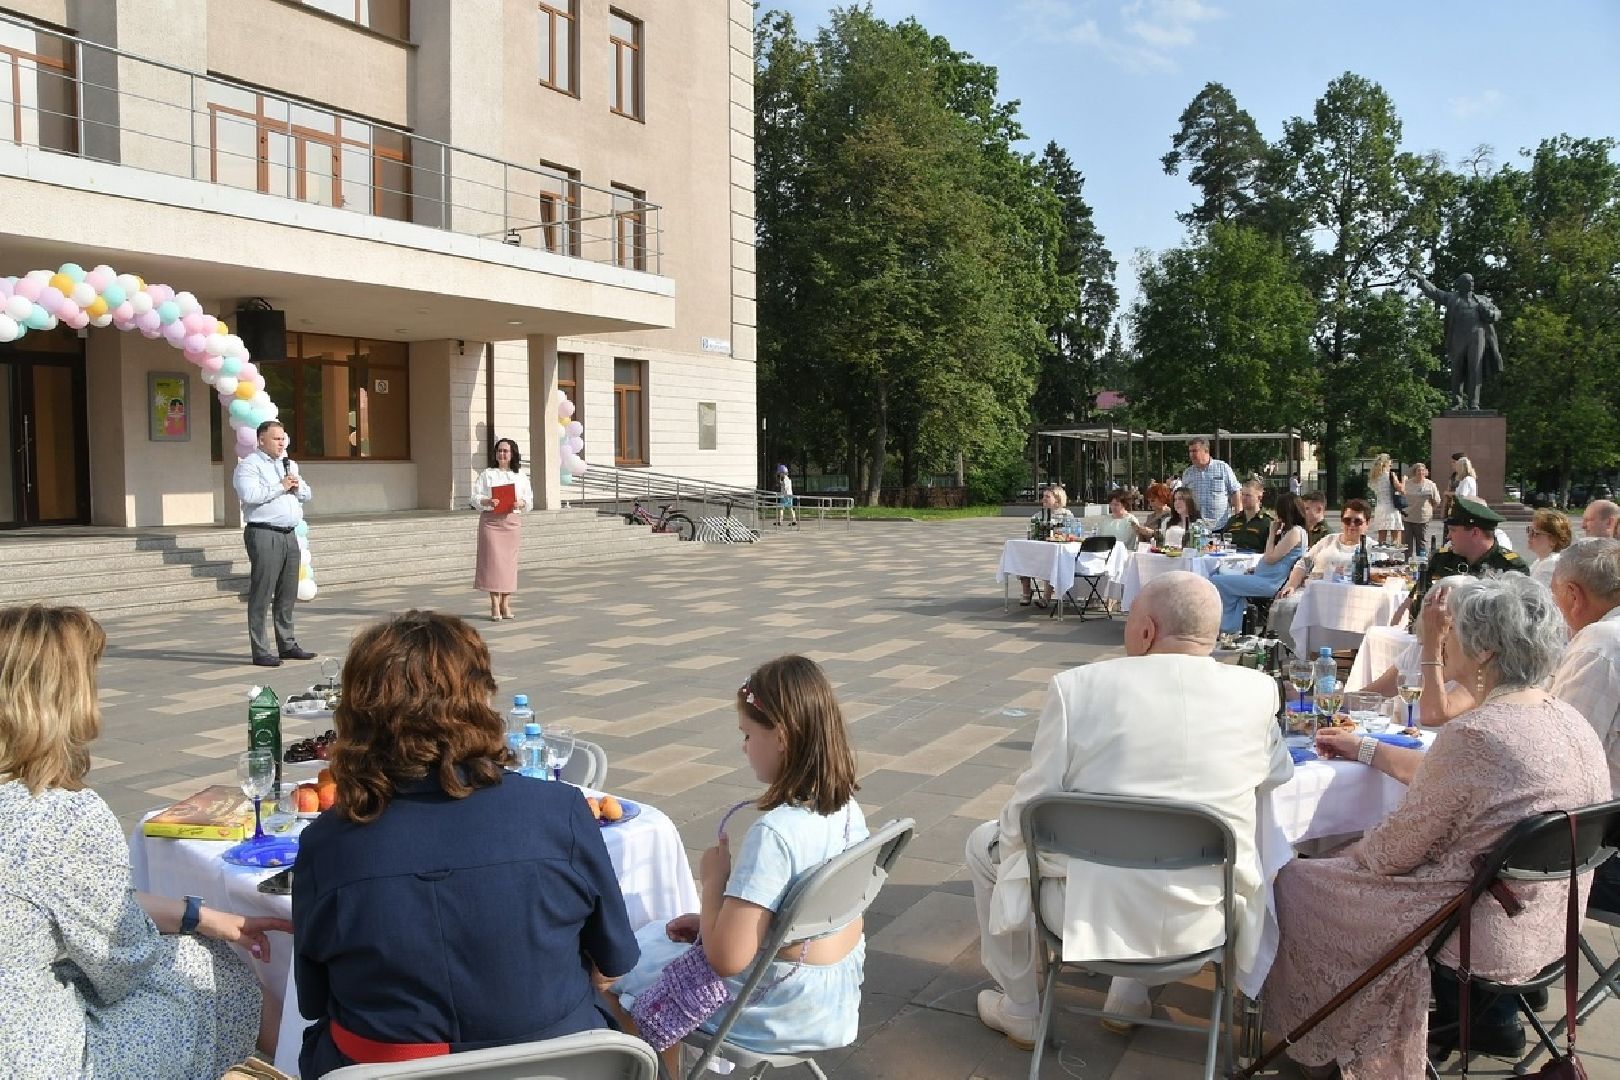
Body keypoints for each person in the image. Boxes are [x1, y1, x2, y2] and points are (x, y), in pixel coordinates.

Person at [1269, 574, 1607, 1076]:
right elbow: (1460, 784)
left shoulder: (1479, 732)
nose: (1447, 644)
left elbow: (1389, 856)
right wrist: (1364, 748)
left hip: (1478, 927)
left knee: (1296, 880)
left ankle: (1321, 1040)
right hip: (1554, 922)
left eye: (1457, 635)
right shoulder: (1567, 719)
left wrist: (1334, 856)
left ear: (1486, 651)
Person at [293, 611, 639, 1077]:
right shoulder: (559, 812)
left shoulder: (328, 843)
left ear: (358, 714)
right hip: (557, 1068)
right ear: (478, 697)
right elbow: (613, 961)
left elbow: (314, 999)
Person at [968, 573, 1291, 1046]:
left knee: (987, 844)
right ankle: (1129, 994)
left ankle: (1021, 1007)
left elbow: (1029, 807)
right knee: (1177, 839)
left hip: (1081, 911)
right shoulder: (1258, 691)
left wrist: (1018, 863)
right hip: (1204, 916)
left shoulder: (1077, 688)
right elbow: (1277, 776)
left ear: (1145, 631)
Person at [0, 604, 289, 1077]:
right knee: (210, 971)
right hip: (36, 1057)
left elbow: (65, 902)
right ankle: (305, 1063)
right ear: (63, 699)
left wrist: (199, 916)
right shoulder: (59, 815)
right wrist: (197, 935)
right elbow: (122, 965)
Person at [613, 655, 867, 1073]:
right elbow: (806, 917)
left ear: (781, 737)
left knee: (622, 976)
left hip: (775, 1011)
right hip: (832, 996)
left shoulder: (775, 835)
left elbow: (727, 960)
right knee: (662, 944)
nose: (744, 746)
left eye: (748, 734)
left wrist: (714, 882)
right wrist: (714, 921)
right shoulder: (846, 811)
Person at [1548, 538, 1620, 913]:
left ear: (1574, 595)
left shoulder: (1601, 643)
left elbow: (1560, 754)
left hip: (1606, 852)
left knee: (1466, 854)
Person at [233, 419, 315, 667]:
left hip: (289, 533)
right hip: (263, 533)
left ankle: (287, 644)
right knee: (262, 592)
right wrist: (280, 487)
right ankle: (260, 650)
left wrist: (296, 486)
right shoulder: (249, 466)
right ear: (261, 440)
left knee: (287, 592)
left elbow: (307, 494)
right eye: (277, 439)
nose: (282, 443)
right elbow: (250, 495)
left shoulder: (289, 464)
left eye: (283, 438)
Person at [1406, 497, 1527, 624]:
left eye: (1453, 530)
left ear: (1475, 532)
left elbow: (1515, 621)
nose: (1448, 536)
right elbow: (1418, 606)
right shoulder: (1441, 559)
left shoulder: (1511, 567)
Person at [1211, 495, 1310, 634]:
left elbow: (1270, 558)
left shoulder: (1295, 532)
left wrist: (1271, 533)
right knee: (1219, 574)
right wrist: (1256, 568)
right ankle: (1231, 626)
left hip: (1270, 582)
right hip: (1264, 576)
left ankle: (1228, 627)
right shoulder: (1292, 532)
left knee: (1216, 581)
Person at [1412, 271, 1503, 411]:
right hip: (1458, 337)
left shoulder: (1481, 299)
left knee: (1475, 369)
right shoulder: (1452, 298)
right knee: (1457, 370)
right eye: (1468, 282)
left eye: (1472, 282)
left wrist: (1491, 313)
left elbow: (1497, 312)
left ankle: (1474, 403)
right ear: (1460, 285)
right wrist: (1422, 279)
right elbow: (1435, 292)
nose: (1471, 284)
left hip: (1477, 337)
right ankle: (1456, 402)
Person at [472, 438, 534, 621]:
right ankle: (494, 602)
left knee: (508, 564)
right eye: (499, 451)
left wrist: (520, 503)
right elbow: (475, 497)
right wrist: (487, 501)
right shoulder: (487, 474)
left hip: (511, 522)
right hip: (491, 522)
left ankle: (506, 602)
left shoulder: (520, 476)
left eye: (505, 451)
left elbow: (528, 500)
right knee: (492, 563)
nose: (502, 454)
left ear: (512, 454)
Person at [1020, 486, 1076, 607]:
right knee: (1021, 556)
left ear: (1057, 499)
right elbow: (1032, 534)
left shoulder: (1067, 515)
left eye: (1047, 497)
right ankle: (1026, 591)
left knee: (1050, 561)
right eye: (1043, 496)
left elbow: (1072, 535)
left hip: (1058, 552)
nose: (1043, 499)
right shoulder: (1038, 516)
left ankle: (1046, 598)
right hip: (1040, 550)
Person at [1180, 438, 1241, 529]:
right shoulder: (1188, 473)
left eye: (1195, 451)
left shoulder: (1222, 468)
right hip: (1197, 528)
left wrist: (1238, 518)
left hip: (1221, 526)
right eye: (1190, 451)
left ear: (1206, 451)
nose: (1191, 455)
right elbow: (1183, 498)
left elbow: (1235, 491)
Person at [1218, 479, 1273, 552]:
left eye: (1248, 495)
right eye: (1242, 494)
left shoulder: (1267, 522)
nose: (1243, 498)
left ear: (1259, 498)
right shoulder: (1233, 520)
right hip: (1232, 559)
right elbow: (1221, 544)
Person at [1401, 463, 1442, 558]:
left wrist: (1429, 510)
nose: (1421, 472)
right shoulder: (1407, 483)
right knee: (1407, 544)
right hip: (1408, 517)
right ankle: (1407, 563)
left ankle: (1421, 564)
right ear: (1414, 472)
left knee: (1421, 543)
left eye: (1423, 470)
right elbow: (1401, 498)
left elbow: (1436, 501)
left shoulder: (1430, 484)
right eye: (1418, 470)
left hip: (1423, 518)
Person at [1526, 506, 1573, 588]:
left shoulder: (1550, 564)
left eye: (1535, 533)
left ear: (1553, 540)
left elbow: (1533, 595)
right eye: (1529, 530)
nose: (1529, 536)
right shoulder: (1541, 560)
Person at [1368, 454, 1405, 546]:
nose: (1390, 466)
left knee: (1382, 537)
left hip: (1380, 507)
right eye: (1390, 465)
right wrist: (1404, 480)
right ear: (1385, 464)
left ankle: (1382, 556)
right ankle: (1393, 558)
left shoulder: (1374, 477)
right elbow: (1401, 489)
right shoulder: (1390, 475)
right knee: (1396, 537)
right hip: (1391, 507)